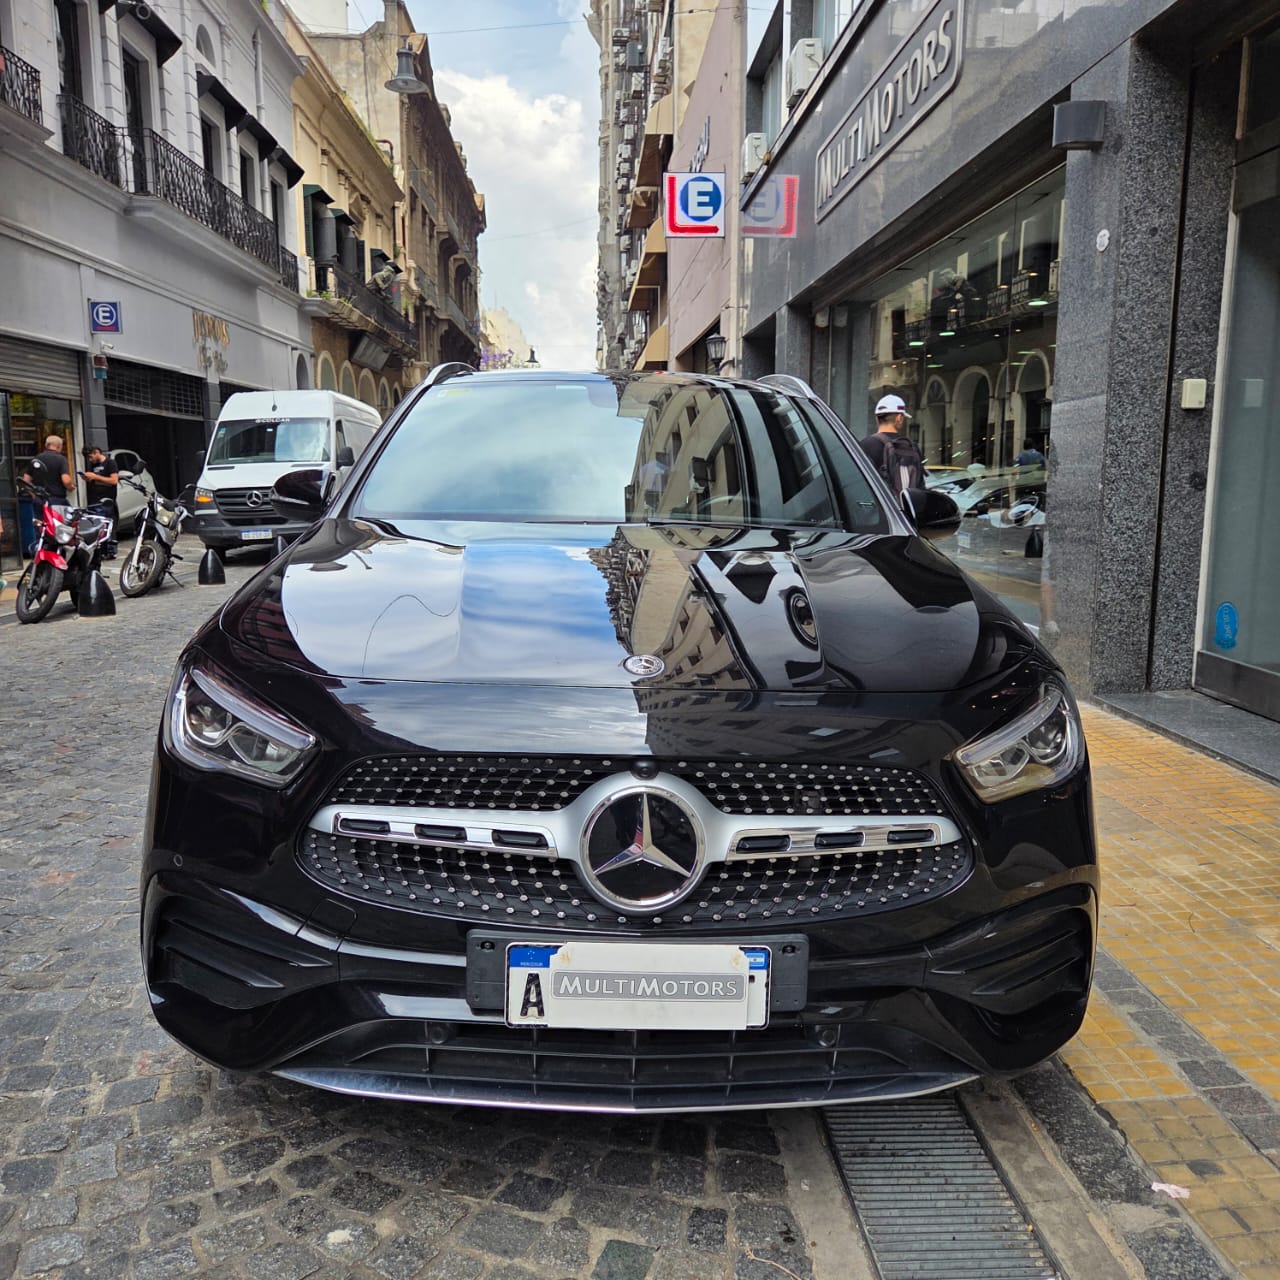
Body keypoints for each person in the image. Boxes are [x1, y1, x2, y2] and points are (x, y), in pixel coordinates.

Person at [859, 395, 926, 496]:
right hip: (904, 509)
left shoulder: (864, 445)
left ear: (877, 418)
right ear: (899, 418)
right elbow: (921, 486)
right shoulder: (912, 447)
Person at [81, 445, 120, 558]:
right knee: (96, 526)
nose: (90, 460)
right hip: (94, 499)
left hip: (106, 500)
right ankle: (100, 551)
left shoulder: (110, 463)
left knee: (107, 524)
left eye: (91, 456)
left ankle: (111, 551)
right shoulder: (93, 465)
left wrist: (95, 477)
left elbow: (114, 480)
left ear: (97, 452)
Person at [22, 434, 73, 509]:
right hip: (57, 500)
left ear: (46, 445)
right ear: (59, 446)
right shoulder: (61, 459)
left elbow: (26, 480)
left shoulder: (36, 459)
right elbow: (66, 480)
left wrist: (32, 494)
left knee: (40, 520)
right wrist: (71, 486)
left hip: (39, 499)